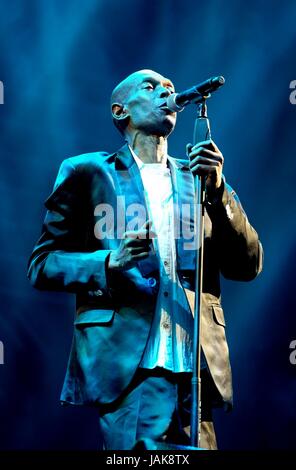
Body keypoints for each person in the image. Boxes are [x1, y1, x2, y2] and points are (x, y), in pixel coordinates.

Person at [27, 69, 263, 450]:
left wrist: (218, 193)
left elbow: (248, 265)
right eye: (150, 87)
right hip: (131, 369)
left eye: (169, 87)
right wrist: (108, 262)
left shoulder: (201, 178)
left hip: (195, 368)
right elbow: (42, 264)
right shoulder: (88, 172)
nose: (166, 91)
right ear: (120, 110)